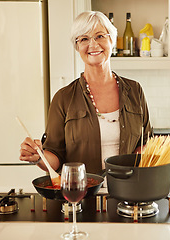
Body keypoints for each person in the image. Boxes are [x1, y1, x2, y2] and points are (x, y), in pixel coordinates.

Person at [19, 11, 152, 174]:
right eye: (84, 39)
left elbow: (146, 142)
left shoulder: (135, 91)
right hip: (82, 195)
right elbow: (55, 158)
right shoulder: (63, 98)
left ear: (112, 40)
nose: (93, 45)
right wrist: (38, 156)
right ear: (77, 47)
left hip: (128, 193)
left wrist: (137, 164)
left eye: (100, 36)